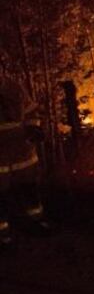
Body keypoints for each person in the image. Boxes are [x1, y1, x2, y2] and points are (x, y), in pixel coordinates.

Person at [0, 71, 52, 251]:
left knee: (30, 189)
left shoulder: (14, 87)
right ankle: (3, 236)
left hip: (21, 151)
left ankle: (37, 222)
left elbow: (31, 111)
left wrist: (33, 128)